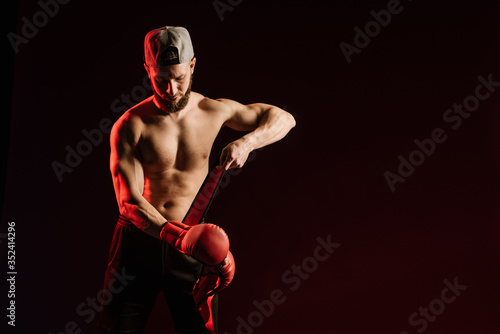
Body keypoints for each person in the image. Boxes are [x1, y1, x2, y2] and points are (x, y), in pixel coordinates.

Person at [99, 26, 296, 334]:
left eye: (179, 77)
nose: (171, 90)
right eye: (161, 79)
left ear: (192, 66)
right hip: (139, 248)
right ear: (147, 69)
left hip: (189, 248)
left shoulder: (213, 110)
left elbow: (285, 118)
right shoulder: (130, 125)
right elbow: (128, 204)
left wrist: (248, 143)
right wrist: (178, 238)